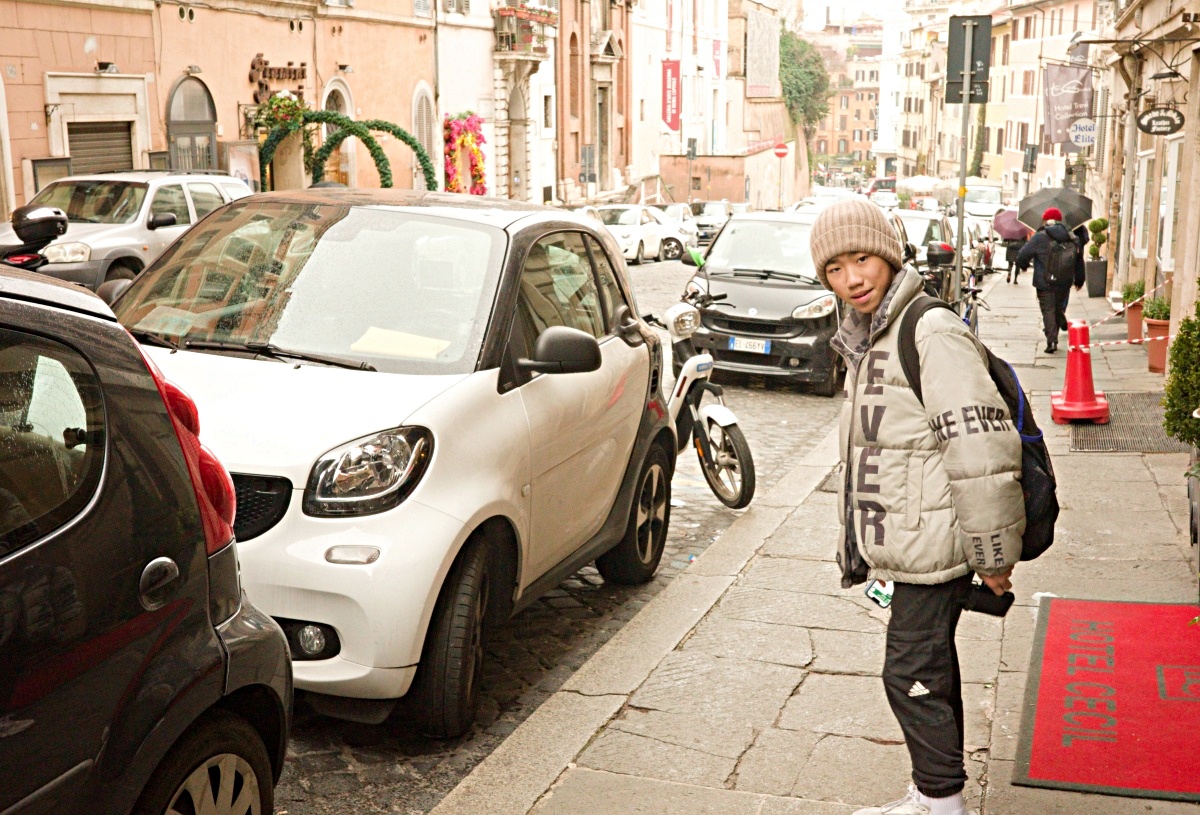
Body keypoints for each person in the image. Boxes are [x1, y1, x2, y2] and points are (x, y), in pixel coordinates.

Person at [809, 199, 1025, 815]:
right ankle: (935, 793)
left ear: (888, 254)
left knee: (909, 675)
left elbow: (980, 451)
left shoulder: (927, 329)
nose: (852, 279)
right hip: (911, 540)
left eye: (862, 259)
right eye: (834, 269)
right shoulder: (871, 331)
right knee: (930, 669)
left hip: (936, 544)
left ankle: (940, 803)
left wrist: (993, 555)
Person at [1016, 207, 1085, 353]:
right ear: (1060, 220)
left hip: (1044, 281)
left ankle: (1052, 341)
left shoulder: (1040, 236)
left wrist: (1023, 265)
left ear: (1046, 220)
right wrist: (1080, 279)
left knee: (1048, 310)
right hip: (1064, 281)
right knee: (1057, 307)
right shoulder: (1071, 236)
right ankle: (1060, 319)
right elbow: (1079, 259)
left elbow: (1023, 254)